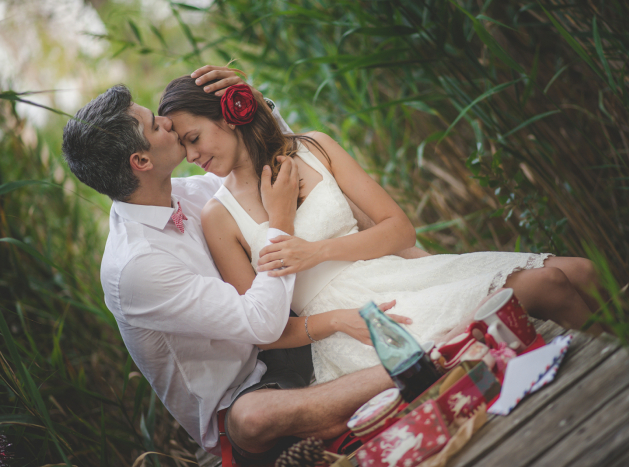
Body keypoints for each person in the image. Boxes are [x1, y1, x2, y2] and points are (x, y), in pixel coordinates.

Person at [158, 67, 606, 385]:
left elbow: (400, 230)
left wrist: (315, 252)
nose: (192, 157)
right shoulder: (219, 217)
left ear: (230, 114)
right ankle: (624, 384)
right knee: (549, 283)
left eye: (194, 138)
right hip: (359, 318)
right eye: (183, 147)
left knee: (585, 271)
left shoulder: (315, 147)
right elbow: (267, 332)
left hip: (402, 272)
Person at [60, 71, 420, 466]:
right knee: (251, 418)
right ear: (141, 160)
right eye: (155, 124)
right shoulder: (135, 268)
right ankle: (414, 364)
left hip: (293, 330)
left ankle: (424, 297)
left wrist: (244, 101)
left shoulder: (187, 193)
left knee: (363, 219)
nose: (169, 124)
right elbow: (261, 324)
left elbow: (268, 163)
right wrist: (280, 224)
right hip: (246, 388)